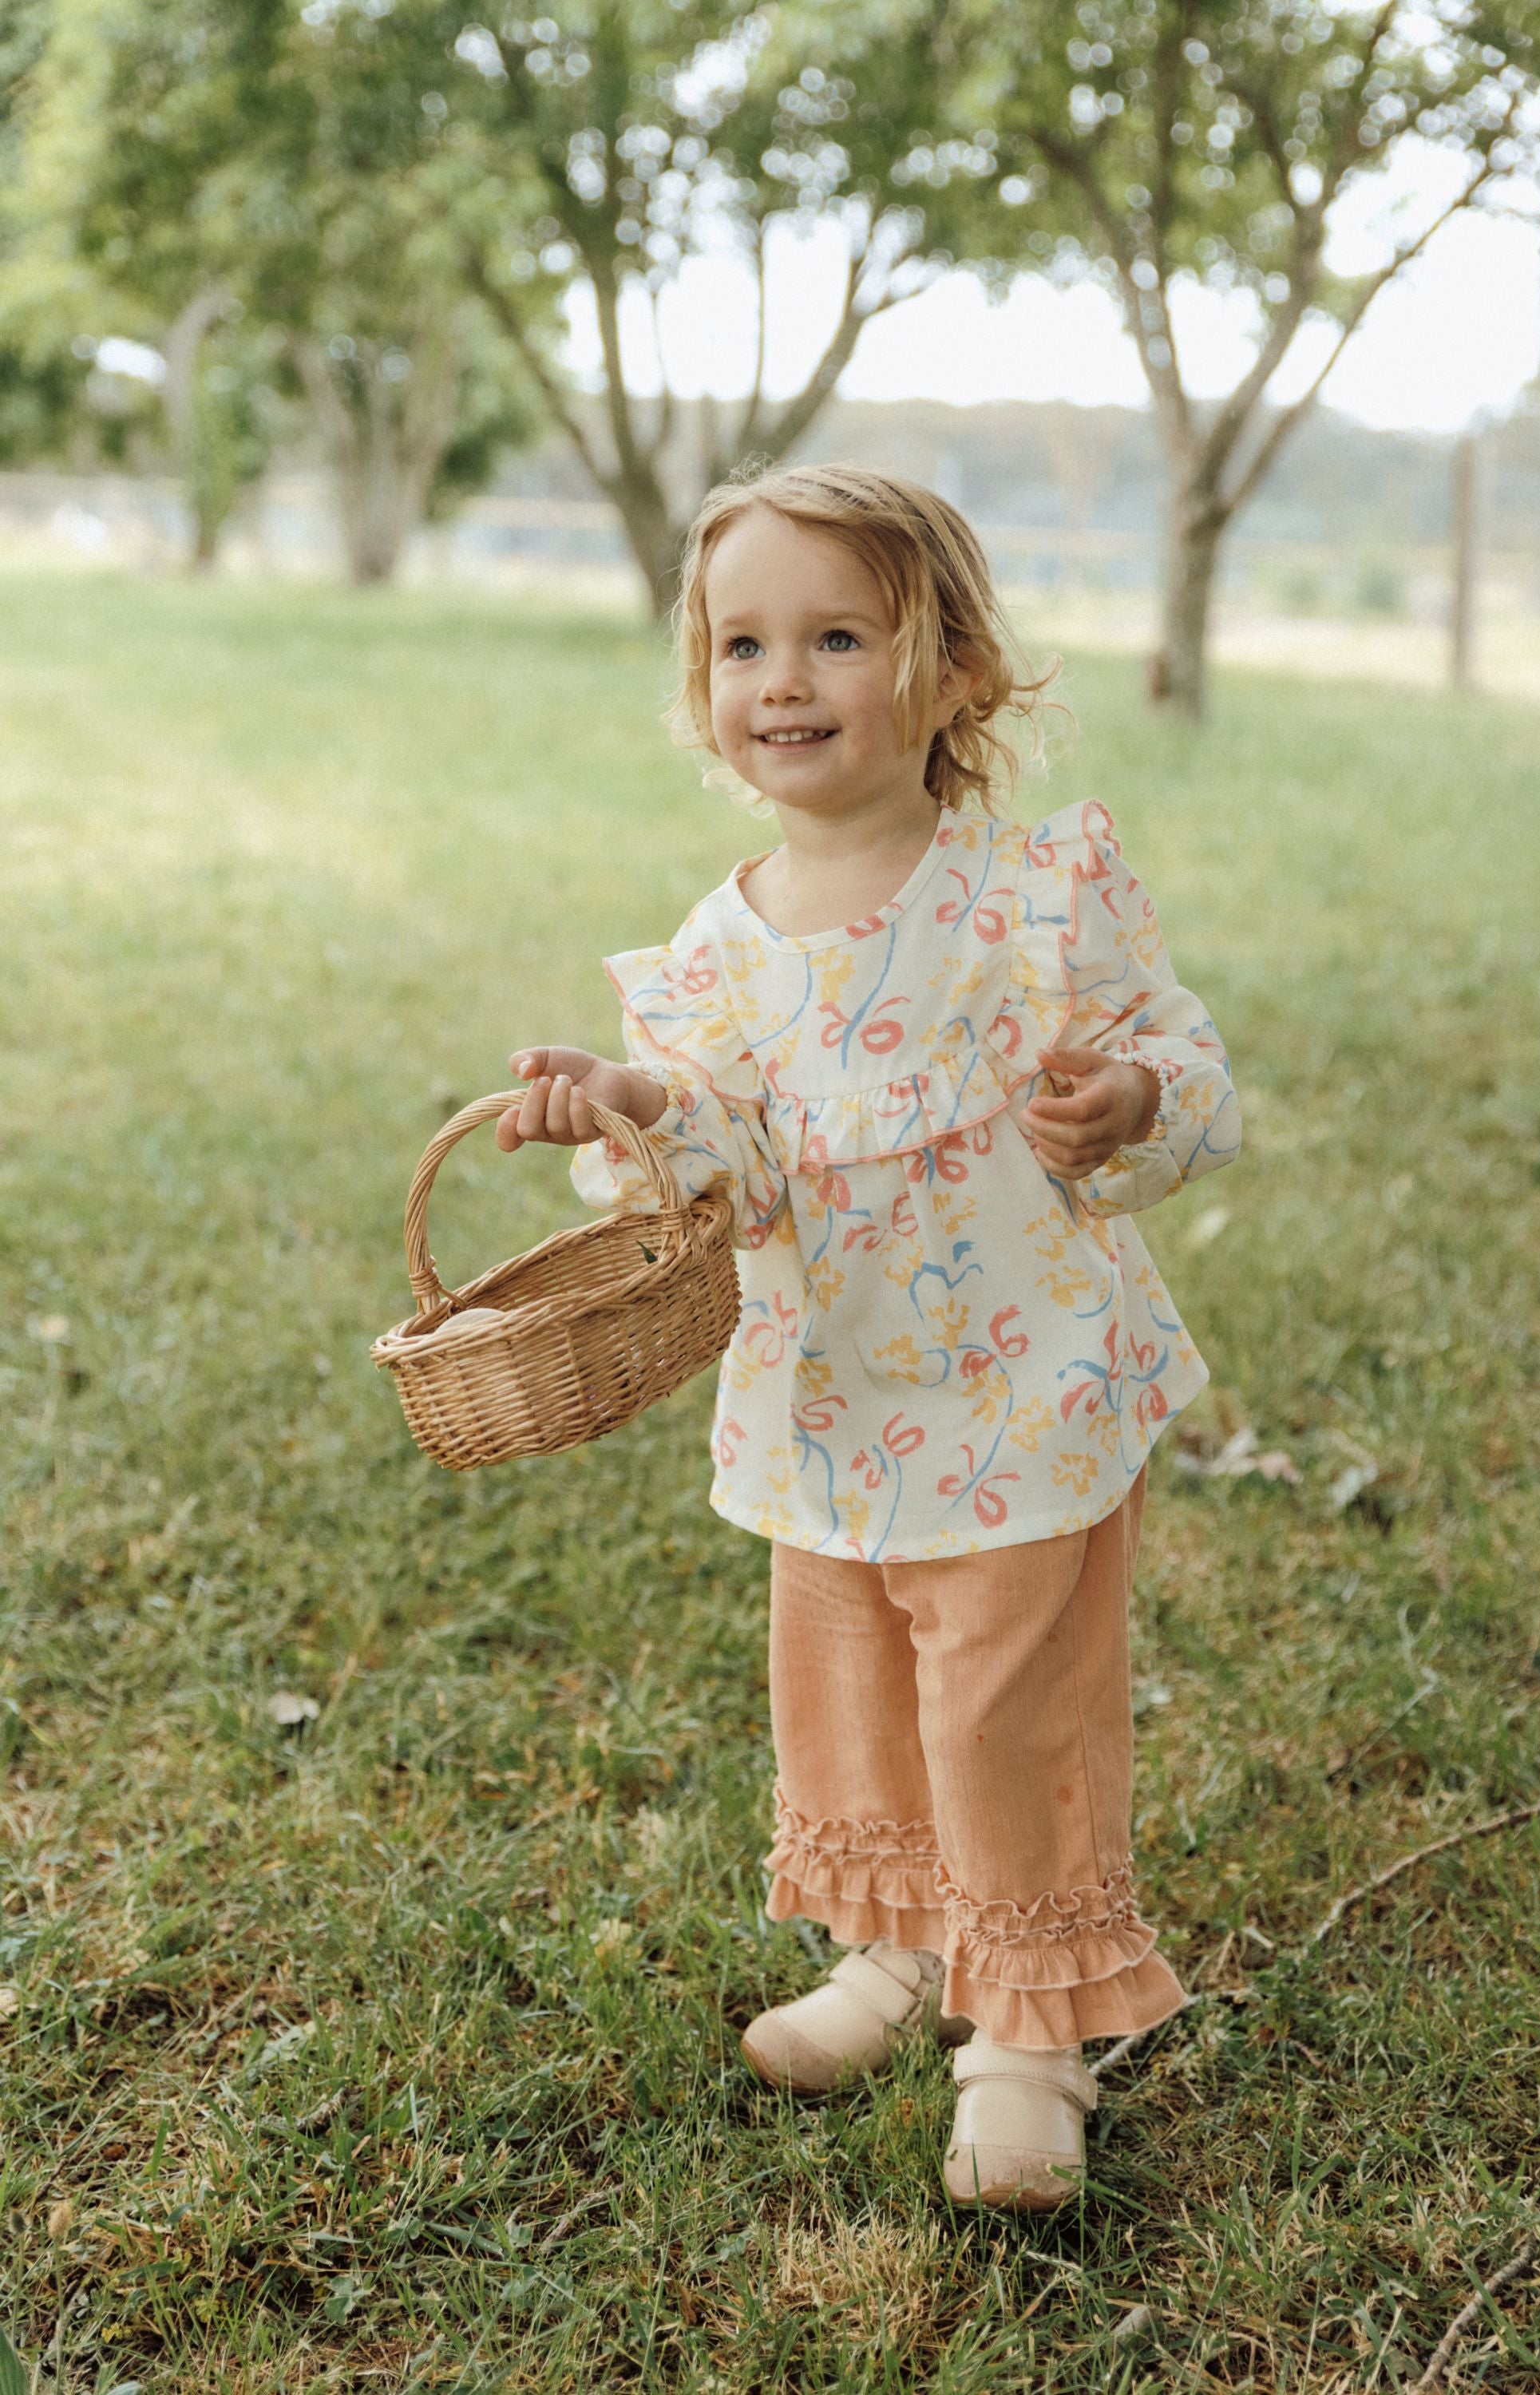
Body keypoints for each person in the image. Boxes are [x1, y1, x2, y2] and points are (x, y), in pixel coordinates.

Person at [497, 465, 1241, 2210]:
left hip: (1023, 1385)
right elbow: (732, 1169)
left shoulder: (1030, 896)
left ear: (953, 670)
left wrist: (1129, 1092)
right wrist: (631, 1104)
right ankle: (897, 1952)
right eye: (745, 643)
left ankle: (1027, 2028)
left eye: (838, 636)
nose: (785, 680)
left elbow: (1189, 1073)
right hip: (829, 1398)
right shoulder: (716, 951)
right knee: (848, 1691)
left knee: (1004, 1706)